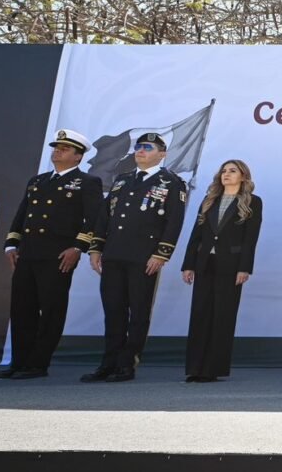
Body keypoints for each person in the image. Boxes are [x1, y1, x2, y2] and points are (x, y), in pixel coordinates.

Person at [82, 132, 188, 383]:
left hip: (144, 257)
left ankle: (126, 364)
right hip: (114, 254)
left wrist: (161, 254)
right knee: (113, 310)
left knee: (138, 312)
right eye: (138, 147)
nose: (140, 151)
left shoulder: (171, 182)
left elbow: (174, 222)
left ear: (162, 154)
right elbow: (104, 217)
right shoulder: (122, 180)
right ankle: (108, 364)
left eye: (147, 147)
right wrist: (96, 248)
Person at [0, 130, 102, 380]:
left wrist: (78, 247)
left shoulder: (87, 182)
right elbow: (21, 215)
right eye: (56, 147)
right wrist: (11, 245)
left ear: (78, 157)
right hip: (28, 253)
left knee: (51, 310)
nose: (57, 151)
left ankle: (38, 363)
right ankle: (19, 362)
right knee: (22, 309)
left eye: (64, 149)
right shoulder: (38, 181)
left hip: (58, 256)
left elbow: (95, 219)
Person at [180, 160, 262, 383]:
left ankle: (212, 369)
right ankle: (195, 368)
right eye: (224, 171)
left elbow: (250, 239)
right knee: (200, 314)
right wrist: (188, 264)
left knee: (222, 316)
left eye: (232, 171)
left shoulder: (252, 202)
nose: (226, 174)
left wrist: (244, 268)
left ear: (243, 176)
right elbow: (196, 235)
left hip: (231, 265)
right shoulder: (209, 200)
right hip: (204, 263)